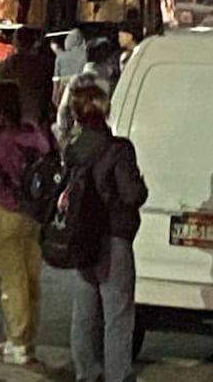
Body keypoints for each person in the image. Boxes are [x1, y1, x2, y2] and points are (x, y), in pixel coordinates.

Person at [66, 84, 147, 382]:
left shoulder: (73, 150)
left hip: (82, 236)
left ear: (76, 114)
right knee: (118, 313)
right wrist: (142, 186)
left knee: (85, 311)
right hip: (113, 237)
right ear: (105, 109)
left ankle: (86, 371)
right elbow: (131, 194)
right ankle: (118, 374)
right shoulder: (119, 149)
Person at [0, 81, 52, 365]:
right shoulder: (34, 135)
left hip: (5, 213)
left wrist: (11, 203)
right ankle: (27, 339)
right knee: (30, 276)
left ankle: (17, 341)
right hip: (34, 214)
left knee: (11, 278)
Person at [0, 26, 55, 127]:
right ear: (33, 44)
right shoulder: (42, 65)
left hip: (12, 119)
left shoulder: (4, 67)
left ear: (15, 43)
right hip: (36, 117)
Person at [53, 29, 87, 101]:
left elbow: (56, 79)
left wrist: (55, 93)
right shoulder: (86, 56)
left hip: (64, 91)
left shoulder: (60, 57)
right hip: (81, 91)